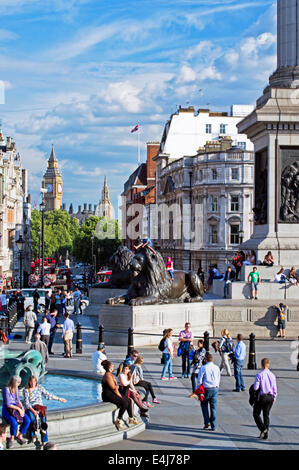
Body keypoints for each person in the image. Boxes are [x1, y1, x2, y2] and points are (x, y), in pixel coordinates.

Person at [24, 375, 66, 447]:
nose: (33, 383)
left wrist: (59, 399)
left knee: (43, 420)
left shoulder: (39, 388)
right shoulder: (26, 390)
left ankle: (44, 440)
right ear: (29, 382)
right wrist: (33, 411)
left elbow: (48, 395)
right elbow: (27, 404)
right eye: (31, 382)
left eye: (34, 381)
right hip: (31, 408)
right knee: (31, 418)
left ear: (36, 381)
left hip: (40, 407)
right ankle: (33, 435)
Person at [101, 360, 138, 430]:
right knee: (124, 402)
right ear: (109, 368)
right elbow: (114, 388)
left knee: (129, 400)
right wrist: (120, 396)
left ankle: (131, 418)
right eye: (112, 366)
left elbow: (116, 387)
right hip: (108, 395)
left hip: (113, 393)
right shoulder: (107, 376)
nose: (114, 366)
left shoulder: (111, 374)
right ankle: (118, 420)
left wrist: (118, 390)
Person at [1, 375, 31, 448]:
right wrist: (19, 409)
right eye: (18, 382)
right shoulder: (6, 390)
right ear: (14, 382)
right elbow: (8, 404)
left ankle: (19, 435)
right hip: (8, 410)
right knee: (14, 422)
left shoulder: (16, 389)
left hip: (16, 408)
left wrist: (22, 408)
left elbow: (18, 400)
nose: (19, 384)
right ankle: (11, 438)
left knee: (27, 420)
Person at [253, 358, 277, 440]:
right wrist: (274, 397)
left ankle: (263, 429)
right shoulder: (272, 375)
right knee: (266, 415)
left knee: (256, 414)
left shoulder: (259, 375)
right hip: (270, 397)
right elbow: (275, 388)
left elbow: (256, 388)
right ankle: (265, 435)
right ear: (268, 364)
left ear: (262, 365)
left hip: (262, 397)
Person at [197, 353, 221, 431]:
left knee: (204, 405)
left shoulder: (203, 368)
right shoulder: (216, 367)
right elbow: (218, 377)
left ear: (206, 360)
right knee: (213, 407)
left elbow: (199, 380)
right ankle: (213, 425)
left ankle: (207, 421)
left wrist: (199, 391)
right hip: (214, 388)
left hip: (206, 388)